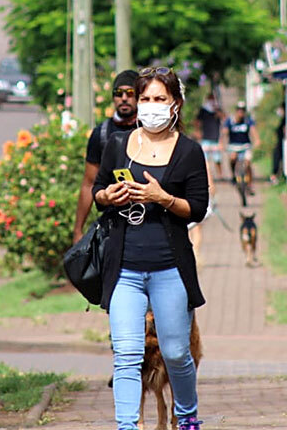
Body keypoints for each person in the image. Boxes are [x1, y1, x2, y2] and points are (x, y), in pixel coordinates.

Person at [93, 66, 208, 430]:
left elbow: (198, 207)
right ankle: (127, 426)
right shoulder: (116, 145)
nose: (151, 106)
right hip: (124, 269)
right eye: (145, 99)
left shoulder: (189, 151)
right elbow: (97, 191)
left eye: (160, 99)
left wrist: (164, 198)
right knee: (126, 355)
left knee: (176, 354)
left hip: (170, 268)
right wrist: (107, 196)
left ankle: (187, 416)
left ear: (175, 104)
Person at [73, 70, 139, 243]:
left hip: (148, 218)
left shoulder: (149, 132)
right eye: (118, 93)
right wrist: (78, 231)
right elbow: (89, 183)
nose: (124, 98)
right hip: (113, 222)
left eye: (130, 93)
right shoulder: (101, 134)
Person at [222, 101, 260, 194]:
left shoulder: (248, 120)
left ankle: (250, 184)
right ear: (236, 111)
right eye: (239, 110)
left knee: (248, 163)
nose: (241, 112)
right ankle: (234, 177)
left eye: (243, 110)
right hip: (233, 146)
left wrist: (257, 140)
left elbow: (253, 131)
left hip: (245, 145)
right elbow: (224, 133)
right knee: (232, 158)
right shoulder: (230, 121)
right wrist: (222, 143)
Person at [195, 92, 224, 181]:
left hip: (215, 137)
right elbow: (197, 121)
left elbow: (224, 118)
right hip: (205, 137)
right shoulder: (203, 110)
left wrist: (217, 111)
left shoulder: (218, 109)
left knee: (217, 159)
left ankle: (220, 175)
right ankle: (206, 176)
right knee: (205, 159)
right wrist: (198, 131)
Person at [271, 105, 285, 184]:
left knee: (277, 156)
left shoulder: (286, 119)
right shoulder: (283, 120)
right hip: (280, 143)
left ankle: (275, 175)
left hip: (283, 143)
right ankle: (275, 175)